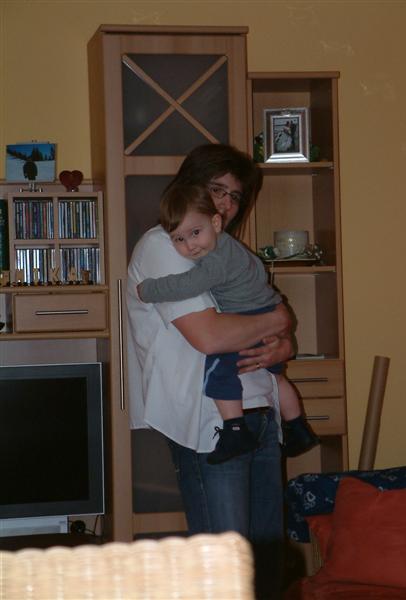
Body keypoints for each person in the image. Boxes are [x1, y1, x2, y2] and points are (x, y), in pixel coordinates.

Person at [127, 144, 294, 599]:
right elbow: (211, 337)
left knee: (265, 570)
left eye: (235, 196)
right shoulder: (165, 243)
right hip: (209, 424)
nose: (225, 203)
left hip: (260, 410)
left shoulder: (221, 251)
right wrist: (277, 320)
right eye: (216, 189)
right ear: (188, 185)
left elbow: (262, 316)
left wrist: (283, 336)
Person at [136, 183, 319, 464]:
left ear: (215, 223)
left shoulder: (218, 258)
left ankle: (234, 431)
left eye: (195, 233)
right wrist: (278, 321)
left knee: (219, 373)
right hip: (267, 308)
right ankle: (298, 427)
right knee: (277, 376)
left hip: (249, 316)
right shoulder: (233, 248)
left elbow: (188, 285)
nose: (190, 246)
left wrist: (148, 290)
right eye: (179, 239)